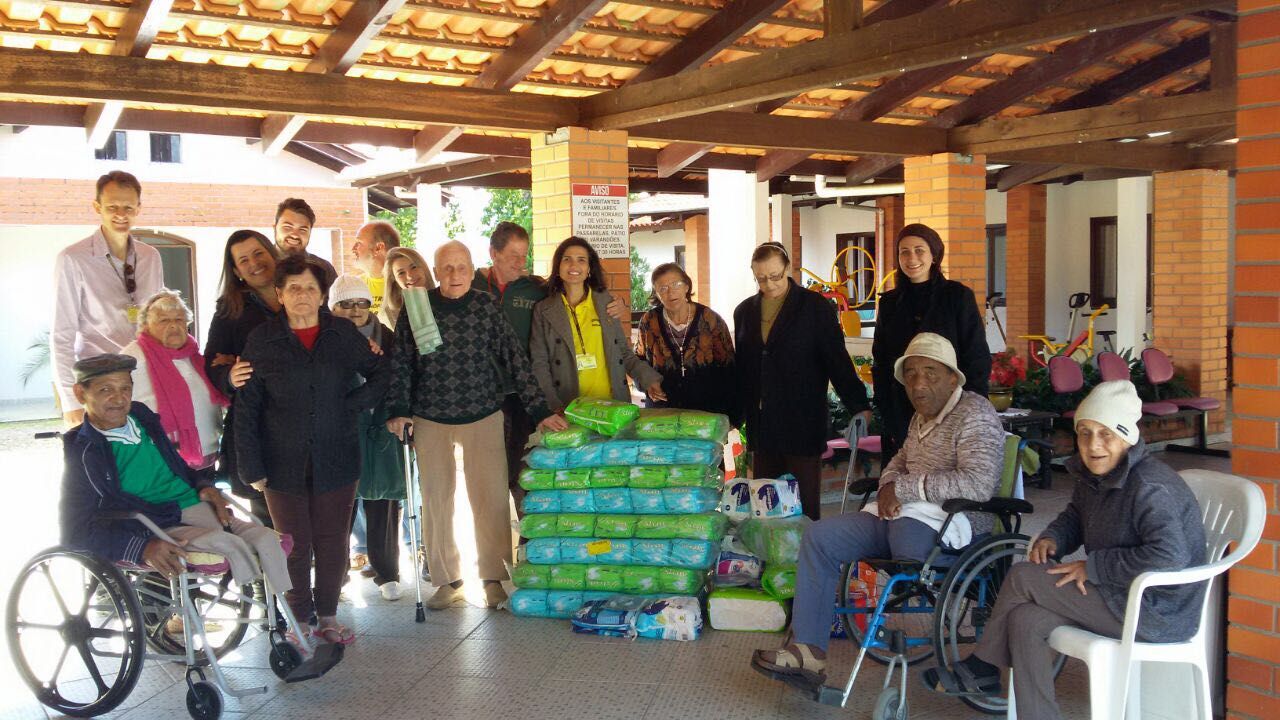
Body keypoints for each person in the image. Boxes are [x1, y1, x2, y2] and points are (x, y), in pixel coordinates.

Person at [927, 380, 1208, 720]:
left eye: (1106, 434)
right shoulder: (1095, 475)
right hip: (1118, 594)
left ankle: (982, 666)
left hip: (1155, 611)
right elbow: (1076, 516)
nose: (1093, 445)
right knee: (1025, 620)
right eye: (1084, 433)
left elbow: (1169, 557)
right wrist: (1053, 538)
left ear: (1128, 437)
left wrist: (1094, 568)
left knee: (1022, 577)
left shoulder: (1149, 487)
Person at [752, 332, 1005, 684]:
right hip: (903, 516)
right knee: (819, 537)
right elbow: (900, 460)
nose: (918, 384)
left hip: (952, 525)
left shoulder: (975, 415)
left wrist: (902, 488)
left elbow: (977, 484)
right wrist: (888, 485)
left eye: (930, 373)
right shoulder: (920, 417)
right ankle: (807, 652)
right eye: (911, 374)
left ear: (953, 378)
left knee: (906, 538)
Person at [385, 241, 567, 611]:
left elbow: (514, 357)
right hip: (431, 415)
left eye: (462, 267)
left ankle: (493, 578)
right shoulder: (417, 306)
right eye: (447, 268)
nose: (455, 275)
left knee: (490, 499)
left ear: (472, 270)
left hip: (483, 412)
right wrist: (399, 410)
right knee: (436, 501)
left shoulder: (486, 305)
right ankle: (447, 580)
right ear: (436, 272)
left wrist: (539, 410)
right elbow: (401, 362)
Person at [235, 255, 390, 645]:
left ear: (322, 296)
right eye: (293, 288)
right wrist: (251, 465)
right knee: (293, 545)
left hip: (337, 455)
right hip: (279, 460)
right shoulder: (262, 340)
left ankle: (328, 617)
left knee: (332, 540)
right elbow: (247, 405)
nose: (302, 295)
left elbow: (382, 372)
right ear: (280, 294)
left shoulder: (342, 334)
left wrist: (353, 404)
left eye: (309, 288)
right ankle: (298, 620)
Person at [59, 353, 291, 599]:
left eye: (125, 388)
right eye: (105, 389)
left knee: (266, 538)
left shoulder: (141, 417)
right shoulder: (84, 451)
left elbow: (176, 466)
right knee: (227, 544)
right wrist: (141, 548)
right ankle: (253, 595)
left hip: (196, 506)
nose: (119, 398)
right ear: (80, 394)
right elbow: (73, 533)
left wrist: (203, 485)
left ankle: (283, 613)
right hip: (158, 522)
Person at [473, 223, 629, 512]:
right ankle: (496, 531)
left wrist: (618, 303)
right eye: (513, 255)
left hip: (524, 394)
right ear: (493, 253)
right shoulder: (471, 283)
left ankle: (530, 528)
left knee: (524, 471)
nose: (521, 262)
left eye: (524, 255)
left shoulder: (535, 289)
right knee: (486, 474)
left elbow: (573, 287)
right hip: (482, 395)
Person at [734, 242, 871, 521]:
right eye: (761, 278)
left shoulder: (814, 307)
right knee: (765, 507)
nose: (769, 284)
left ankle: (808, 549)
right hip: (764, 425)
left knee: (804, 507)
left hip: (802, 419)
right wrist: (734, 416)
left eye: (775, 276)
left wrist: (859, 405)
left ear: (788, 268)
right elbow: (743, 369)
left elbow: (836, 360)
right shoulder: (744, 311)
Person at [52, 171, 166, 427]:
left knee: (148, 449)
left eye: (128, 207)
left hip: (146, 379)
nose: (121, 214)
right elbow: (62, 335)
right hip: (99, 382)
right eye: (112, 207)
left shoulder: (151, 257)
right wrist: (71, 402)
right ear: (97, 207)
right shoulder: (73, 258)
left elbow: (157, 323)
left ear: (138, 208)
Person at [872, 223, 991, 466]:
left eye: (919, 250)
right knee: (899, 479)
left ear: (934, 255)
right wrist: (886, 409)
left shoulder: (958, 297)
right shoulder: (889, 303)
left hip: (950, 408)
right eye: (904, 252)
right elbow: (881, 361)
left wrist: (971, 409)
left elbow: (976, 357)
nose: (912, 258)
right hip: (901, 411)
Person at [328, 275, 406, 601]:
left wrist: (398, 411)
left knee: (382, 503)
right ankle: (335, 576)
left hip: (380, 424)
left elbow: (400, 377)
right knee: (339, 506)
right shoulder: (324, 337)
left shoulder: (386, 337)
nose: (355, 310)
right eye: (346, 304)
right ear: (333, 307)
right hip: (341, 427)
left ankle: (387, 572)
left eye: (361, 302)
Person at [530, 236, 665, 413]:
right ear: (558, 267)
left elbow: (623, 353)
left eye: (581, 260)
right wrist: (553, 405)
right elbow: (539, 364)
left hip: (612, 405)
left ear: (589, 269)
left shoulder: (606, 304)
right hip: (569, 407)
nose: (574, 265)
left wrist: (649, 380)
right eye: (567, 259)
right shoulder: (544, 310)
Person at [204, 230, 282, 526]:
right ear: (236, 270)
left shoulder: (299, 289)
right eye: (244, 260)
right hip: (256, 428)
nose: (254, 263)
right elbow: (212, 362)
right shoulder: (230, 309)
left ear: (272, 253)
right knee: (271, 524)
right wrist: (229, 374)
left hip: (304, 423)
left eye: (259, 253)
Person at [121, 291, 228, 471]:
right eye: (164, 320)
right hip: (160, 460)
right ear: (145, 326)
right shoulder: (133, 357)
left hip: (208, 453)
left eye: (179, 319)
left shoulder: (193, 354)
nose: (173, 325)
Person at [635, 262, 737, 422]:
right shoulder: (649, 321)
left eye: (676, 284)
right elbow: (638, 360)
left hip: (705, 413)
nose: (670, 292)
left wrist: (732, 416)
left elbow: (729, 367)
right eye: (663, 288)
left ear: (687, 286)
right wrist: (647, 383)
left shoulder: (710, 319)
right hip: (662, 413)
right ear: (657, 294)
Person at [273, 198, 337, 289]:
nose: (295, 235)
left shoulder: (325, 269)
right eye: (287, 227)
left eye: (302, 230)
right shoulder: (260, 266)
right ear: (274, 228)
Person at [351, 220, 400, 317]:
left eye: (359, 243)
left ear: (378, 248)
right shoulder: (353, 286)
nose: (353, 249)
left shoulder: (405, 284)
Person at [381, 247, 436, 329]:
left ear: (424, 268)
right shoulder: (391, 316)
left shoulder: (445, 299)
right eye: (401, 273)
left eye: (414, 267)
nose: (409, 276)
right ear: (394, 280)